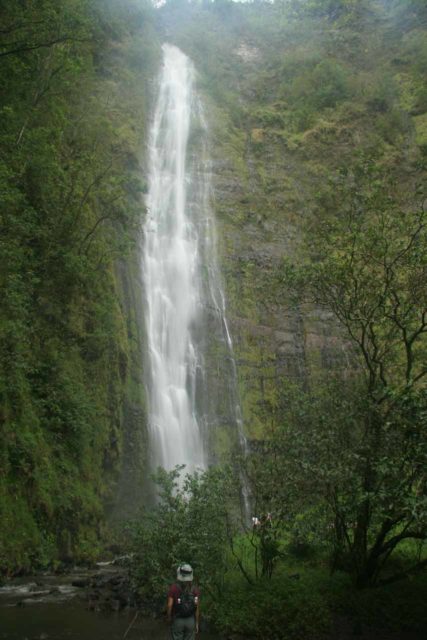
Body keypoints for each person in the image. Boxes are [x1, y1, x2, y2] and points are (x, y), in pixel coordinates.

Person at [167, 563, 200, 640]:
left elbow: (169, 605)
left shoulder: (174, 588)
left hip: (178, 620)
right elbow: (197, 607)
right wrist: (197, 623)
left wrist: (169, 617)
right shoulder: (195, 590)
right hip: (190, 621)